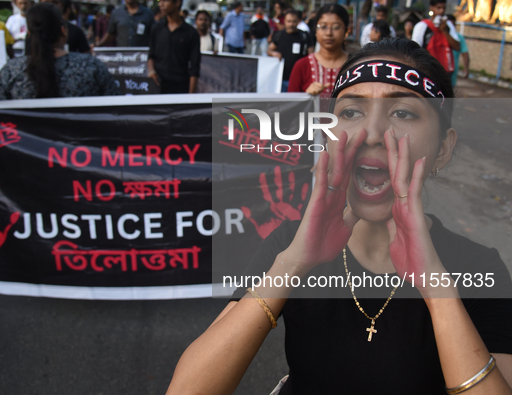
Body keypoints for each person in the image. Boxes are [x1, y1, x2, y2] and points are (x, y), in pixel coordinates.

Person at [166, 37, 512, 394]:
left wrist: (437, 288)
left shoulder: (479, 267)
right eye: (350, 112)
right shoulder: (291, 244)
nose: (373, 134)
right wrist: (292, 265)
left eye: (403, 112)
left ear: (443, 148)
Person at [0, 3, 119, 100]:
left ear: (29, 34)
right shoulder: (91, 67)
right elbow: (113, 108)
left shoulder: (11, 71)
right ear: (63, 31)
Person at [288, 4, 348, 99]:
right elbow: (290, 105)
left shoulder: (358, 66)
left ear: (346, 31)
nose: (329, 33)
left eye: (336, 27)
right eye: (323, 27)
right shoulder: (301, 66)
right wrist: (306, 97)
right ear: (316, 30)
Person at [147, 0, 200, 94]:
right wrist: (152, 72)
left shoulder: (191, 33)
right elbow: (151, 56)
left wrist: (190, 97)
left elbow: (194, 68)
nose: (161, 4)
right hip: (158, 87)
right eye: (160, 1)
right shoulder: (156, 29)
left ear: (177, 2)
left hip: (181, 88)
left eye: (165, 1)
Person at [268, 9, 314, 92]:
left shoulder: (305, 36)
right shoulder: (279, 35)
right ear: (284, 21)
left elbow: (311, 56)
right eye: (289, 21)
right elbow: (269, 50)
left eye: (294, 21)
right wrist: (273, 53)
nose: (291, 24)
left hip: (299, 79)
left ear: (298, 22)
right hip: (282, 78)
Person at [412, 0, 460, 75]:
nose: (442, 11)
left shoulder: (448, 25)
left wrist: (444, 31)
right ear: (431, 8)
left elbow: (457, 47)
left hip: (445, 71)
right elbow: (415, 49)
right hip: (427, 69)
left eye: (444, 8)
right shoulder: (422, 26)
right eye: (439, 8)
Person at [446, 14, 469, 87]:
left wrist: (466, 69)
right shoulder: (439, 36)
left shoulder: (459, 38)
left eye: (452, 25)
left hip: (452, 72)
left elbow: (465, 53)